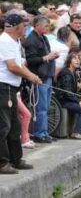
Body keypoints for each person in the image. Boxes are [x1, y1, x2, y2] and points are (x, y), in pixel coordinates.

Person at [0, 14, 41, 174]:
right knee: (4, 126)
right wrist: (30, 75)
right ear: (17, 27)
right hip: (3, 88)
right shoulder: (4, 41)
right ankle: (2, 162)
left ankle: (15, 159)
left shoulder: (14, 41)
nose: (26, 29)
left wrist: (31, 75)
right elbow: (12, 66)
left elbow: (18, 65)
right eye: (24, 26)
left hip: (11, 88)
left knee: (15, 126)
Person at [24, 15, 60, 143]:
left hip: (47, 75)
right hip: (39, 77)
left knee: (46, 107)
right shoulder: (31, 40)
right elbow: (31, 60)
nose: (47, 28)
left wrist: (52, 56)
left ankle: (45, 132)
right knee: (41, 107)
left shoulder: (43, 37)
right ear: (37, 25)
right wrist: (47, 58)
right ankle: (40, 133)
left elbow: (45, 55)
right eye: (45, 26)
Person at [56, 52, 81, 139]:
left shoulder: (73, 72)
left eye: (79, 59)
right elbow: (67, 93)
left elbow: (74, 90)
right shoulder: (66, 73)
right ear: (69, 61)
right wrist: (78, 101)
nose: (77, 61)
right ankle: (76, 133)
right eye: (75, 58)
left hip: (69, 99)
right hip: (64, 100)